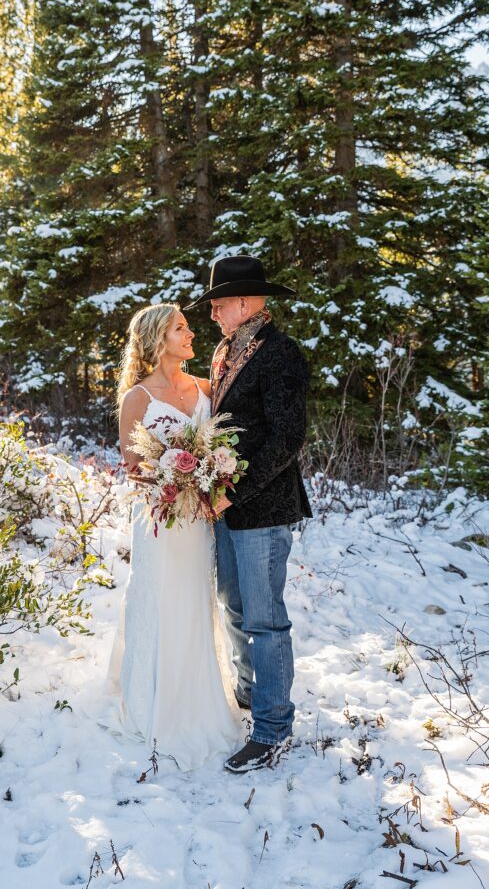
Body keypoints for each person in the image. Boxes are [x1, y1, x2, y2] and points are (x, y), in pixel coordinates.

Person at [186, 254, 312, 773]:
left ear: (244, 302)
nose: (212, 315)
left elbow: (287, 439)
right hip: (225, 507)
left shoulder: (282, 354)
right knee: (233, 608)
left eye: (217, 305)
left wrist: (236, 492)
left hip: (262, 507)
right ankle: (248, 696)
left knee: (265, 621)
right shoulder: (225, 351)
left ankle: (273, 728)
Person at [107, 302, 241, 770]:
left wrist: (206, 476)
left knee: (195, 604)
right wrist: (172, 480)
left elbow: (223, 446)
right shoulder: (137, 399)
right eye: (180, 328)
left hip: (199, 523)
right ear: (157, 339)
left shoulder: (207, 388)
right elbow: (132, 469)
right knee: (160, 601)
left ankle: (196, 697)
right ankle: (153, 701)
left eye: (186, 327)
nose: (190, 334)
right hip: (161, 523)